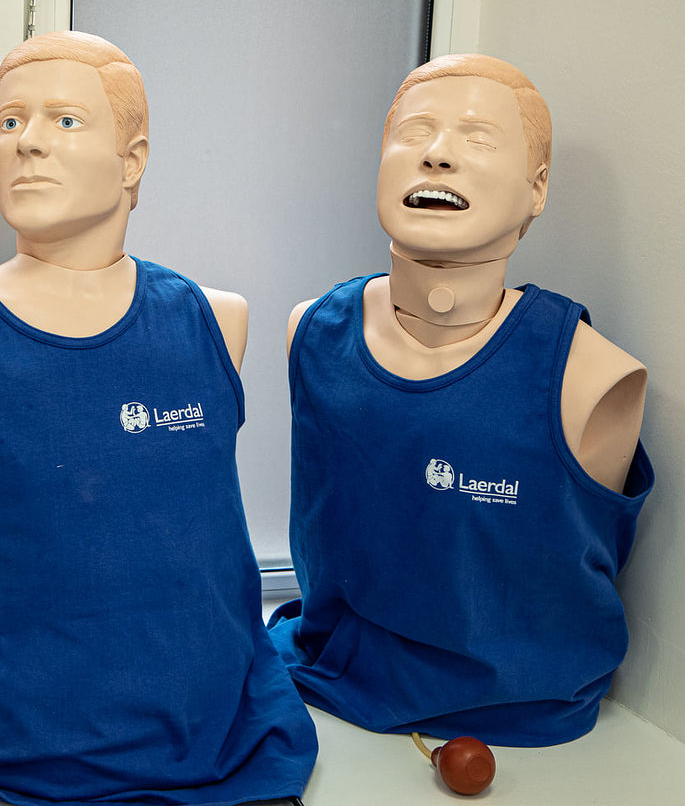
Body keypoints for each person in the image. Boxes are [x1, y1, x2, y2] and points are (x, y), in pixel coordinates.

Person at [0, 31, 316, 806]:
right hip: (6, 743)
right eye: (8, 121)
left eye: (65, 120)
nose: (27, 142)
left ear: (131, 160)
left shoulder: (211, 320)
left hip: (215, 735)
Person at [269, 53, 654, 747]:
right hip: (325, 691)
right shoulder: (313, 330)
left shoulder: (591, 373)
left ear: (537, 188)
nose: (437, 155)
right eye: (413, 133)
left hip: (525, 717)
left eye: (477, 138)